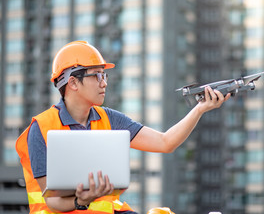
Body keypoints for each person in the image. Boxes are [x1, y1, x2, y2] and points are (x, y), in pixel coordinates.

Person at [16, 41, 230, 214]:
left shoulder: (109, 119)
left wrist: (200, 109)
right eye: (97, 75)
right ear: (72, 83)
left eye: (104, 75)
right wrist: (80, 201)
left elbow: (166, 143)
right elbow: (52, 202)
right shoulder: (41, 128)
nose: (104, 83)